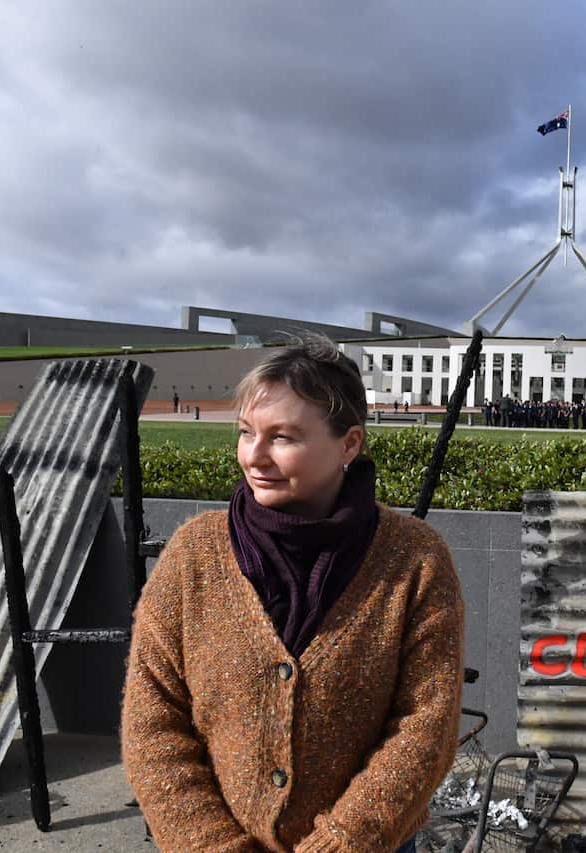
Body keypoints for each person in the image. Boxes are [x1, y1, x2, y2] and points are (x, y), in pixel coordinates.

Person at [122, 336, 464, 853]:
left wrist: (340, 844)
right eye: (245, 432)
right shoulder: (193, 556)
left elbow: (426, 726)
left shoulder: (415, 560)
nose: (254, 456)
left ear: (349, 444)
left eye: (281, 437)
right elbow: (153, 720)